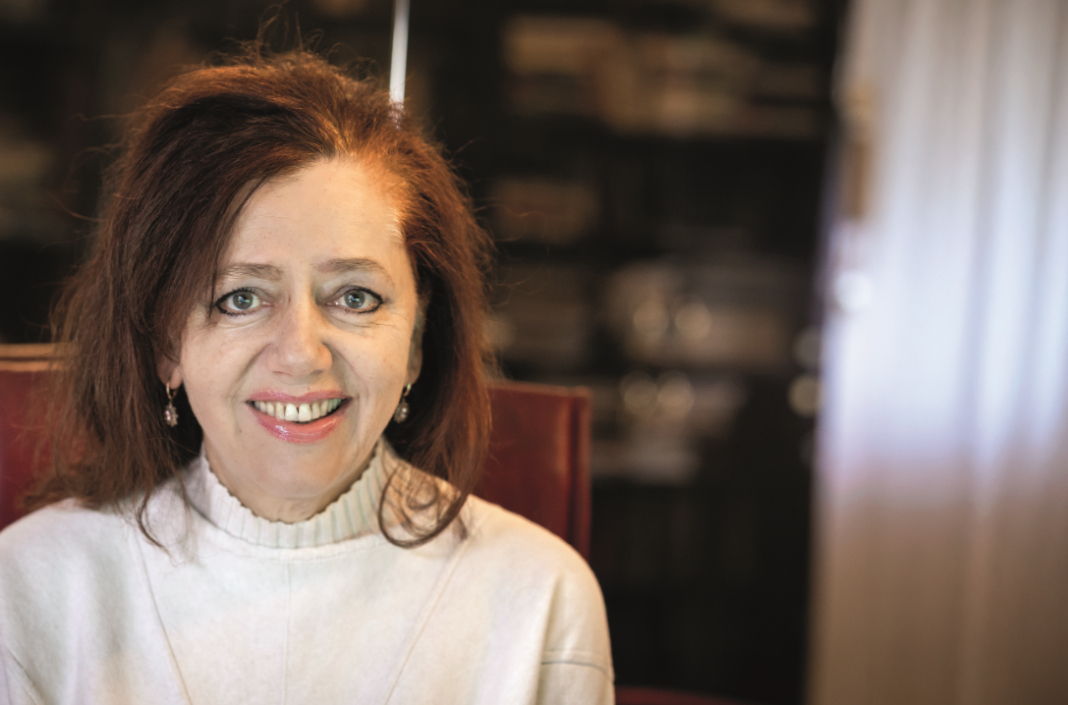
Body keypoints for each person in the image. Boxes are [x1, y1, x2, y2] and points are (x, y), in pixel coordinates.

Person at [0, 48, 613, 704]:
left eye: (355, 297)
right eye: (240, 298)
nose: (301, 354)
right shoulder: (31, 586)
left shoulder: (540, 599)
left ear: (415, 340)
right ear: (166, 344)